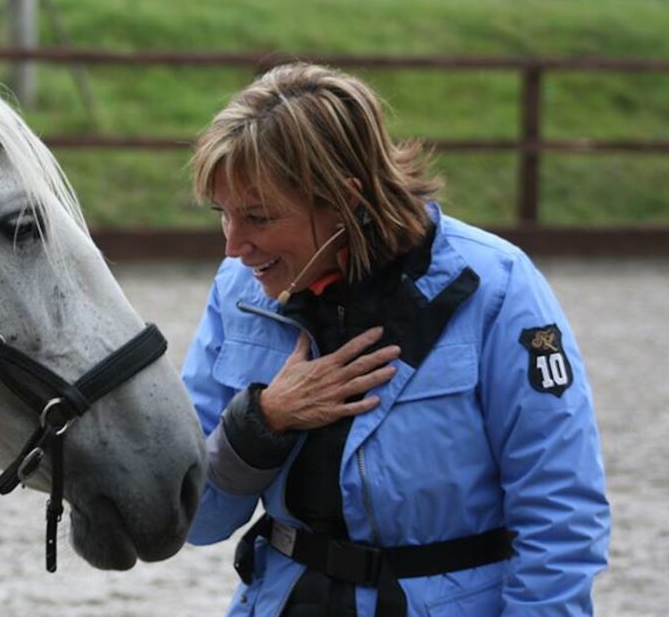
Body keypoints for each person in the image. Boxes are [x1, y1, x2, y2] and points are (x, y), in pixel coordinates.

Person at [182, 62, 610, 617]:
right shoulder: (238, 290)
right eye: (224, 214)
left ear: (344, 200)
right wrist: (261, 423)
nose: (233, 246)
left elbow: (561, 512)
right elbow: (192, 518)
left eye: (258, 218)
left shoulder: (498, 288)